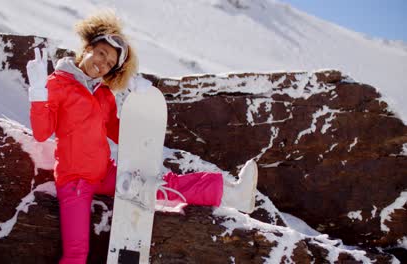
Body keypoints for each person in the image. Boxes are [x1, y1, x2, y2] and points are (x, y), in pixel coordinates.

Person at [26, 10, 257, 264]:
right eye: (102, 53)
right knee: (77, 253)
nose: (102, 64)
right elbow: (42, 132)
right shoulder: (58, 83)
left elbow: (122, 133)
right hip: (74, 180)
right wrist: (37, 91)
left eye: (109, 63)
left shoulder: (102, 94)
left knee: (157, 185)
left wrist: (140, 99)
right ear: (88, 47)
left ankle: (231, 193)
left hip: (105, 173)